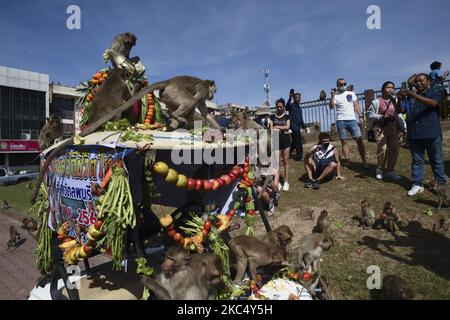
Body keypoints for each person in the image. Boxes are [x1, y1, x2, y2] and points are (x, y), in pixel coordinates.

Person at [397, 73, 448, 196]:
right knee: (417, 160)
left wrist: (416, 96)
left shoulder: (434, 92)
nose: (418, 83)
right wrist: (399, 99)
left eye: (421, 81)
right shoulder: (409, 97)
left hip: (431, 133)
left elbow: (434, 104)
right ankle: (417, 184)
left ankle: (441, 184)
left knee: (436, 160)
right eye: (416, 82)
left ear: (428, 81)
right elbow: (400, 110)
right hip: (414, 134)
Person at [366, 81, 402, 181]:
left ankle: (390, 170)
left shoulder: (395, 100)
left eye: (392, 88)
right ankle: (379, 168)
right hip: (380, 128)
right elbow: (369, 114)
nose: (390, 89)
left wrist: (402, 127)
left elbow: (398, 114)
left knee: (394, 149)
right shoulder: (376, 102)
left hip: (392, 127)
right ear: (383, 89)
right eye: (388, 87)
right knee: (383, 148)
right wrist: (381, 116)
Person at [329, 78, 368, 169]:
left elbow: (356, 105)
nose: (343, 86)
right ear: (337, 85)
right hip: (341, 121)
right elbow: (331, 107)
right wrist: (332, 96)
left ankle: (364, 161)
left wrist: (361, 116)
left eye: (344, 84)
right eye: (341, 84)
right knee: (344, 141)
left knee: (359, 141)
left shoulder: (351, 93)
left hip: (352, 120)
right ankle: (347, 161)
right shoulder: (336, 96)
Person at [270, 98, 291, 191]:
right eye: (277, 107)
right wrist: (281, 128)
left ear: (284, 107)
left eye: (281, 107)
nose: (279, 108)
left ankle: (286, 181)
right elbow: (271, 128)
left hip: (286, 140)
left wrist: (277, 126)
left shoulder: (287, 117)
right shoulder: (272, 117)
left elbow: (287, 127)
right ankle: (277, 181)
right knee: (277, 162)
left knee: (286, 161)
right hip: (275, 139)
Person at [286, 92, 307, 160]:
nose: (298, 99)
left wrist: (304, 127)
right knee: (298, 142)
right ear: (294, 98)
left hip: (297, 127)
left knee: (295, 142)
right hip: (292, 127)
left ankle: (287, 153)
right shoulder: (291, 106)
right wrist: (289, 98)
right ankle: (299, 157)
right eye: (297, 97)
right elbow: (286, 107)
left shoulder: (299, 108)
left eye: (299, 97)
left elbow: (301, 119)